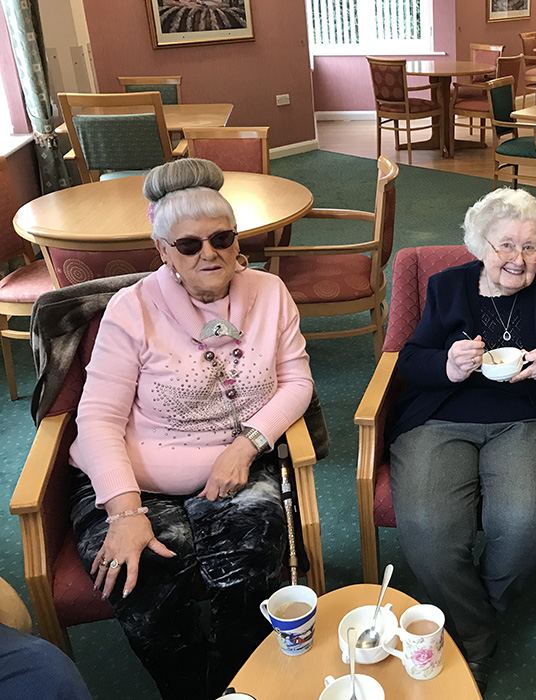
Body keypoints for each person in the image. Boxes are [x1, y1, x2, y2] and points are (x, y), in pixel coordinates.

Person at [67, 158, 314, 700]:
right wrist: (124, 511)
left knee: (251, 567)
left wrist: (246, 445)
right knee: (141, 577)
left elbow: (297, 382)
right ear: (163, 251)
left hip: (234, 468)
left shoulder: (270, 292)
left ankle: (238, 688)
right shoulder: (132, 310)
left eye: (222, 238)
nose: (210, 253)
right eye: (188, 245)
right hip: (129, 482)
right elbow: (98, 418)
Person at [386, 188, 536, 693]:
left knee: (532, 523)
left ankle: (468, 621)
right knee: (428, 526)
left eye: (530, 247)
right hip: (439, 417)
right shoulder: (446, 286)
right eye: (505, 245)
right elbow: (410, 359)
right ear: (479, 245)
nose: (518, 258)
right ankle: (480, 635)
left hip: (525, 420)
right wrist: (447, 364)